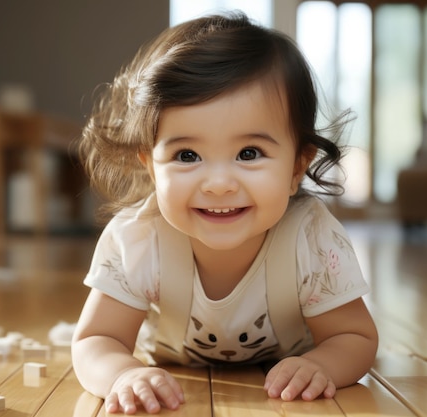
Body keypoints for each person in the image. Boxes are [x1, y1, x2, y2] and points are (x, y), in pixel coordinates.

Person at [71, 12, 378, 415]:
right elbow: (96, 340)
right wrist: (122, 374)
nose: (218, 183)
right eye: (187, 155)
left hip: (285, 372)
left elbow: (354, 336)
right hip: (170, 363)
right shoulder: (138, 239)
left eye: (249, 154)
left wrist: (320, 364)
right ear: (151, 166)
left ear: (297, 167)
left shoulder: (311, 238)